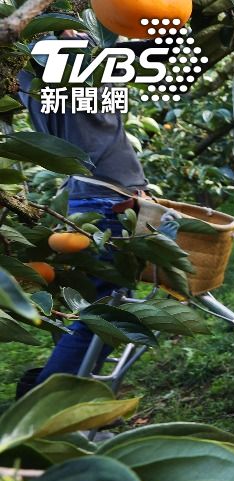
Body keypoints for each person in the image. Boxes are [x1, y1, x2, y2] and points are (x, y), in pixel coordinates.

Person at [15, 30, 154, 396]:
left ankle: (58, 390)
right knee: (103, 314)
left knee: (107, 309)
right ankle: (49, 397)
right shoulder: (57, 57)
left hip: (98, 199)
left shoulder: (33, 67)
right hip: (105, 202)